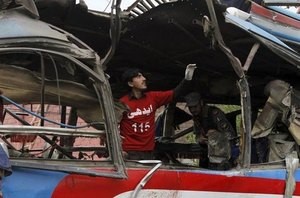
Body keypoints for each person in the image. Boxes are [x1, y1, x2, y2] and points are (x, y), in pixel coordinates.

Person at [119, 64, 197, 160]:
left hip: (149, 152)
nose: (144, 79)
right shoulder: (122, 103)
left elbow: (175, 93)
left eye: (143, 76)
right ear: (130, 83)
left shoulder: (153, 98)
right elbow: (112, 125)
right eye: (139, 77)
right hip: (128, 152)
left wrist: (187, 78)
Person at [184, 92, 239, 170]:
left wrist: (216, 135)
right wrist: (200, 139)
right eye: (190, 108)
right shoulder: (196, 117)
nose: (192, 110)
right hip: (208, 154)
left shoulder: (215, 114)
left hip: (222, 156)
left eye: (195, 106)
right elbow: (197, 136)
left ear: (201, 103)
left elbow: (231, 135)